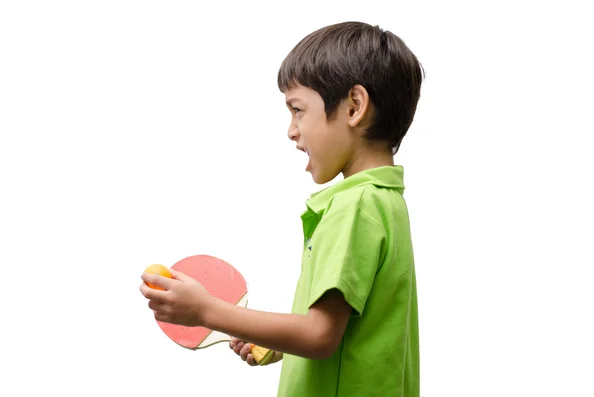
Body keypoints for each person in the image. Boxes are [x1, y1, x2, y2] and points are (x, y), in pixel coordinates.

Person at [140, 20, 423, 397]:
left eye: (298, 109)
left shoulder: (354, 206)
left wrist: (206, 311)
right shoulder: (386, 201)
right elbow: (338, 328)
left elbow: (319, 335)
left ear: (354, 106)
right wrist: (273, 342)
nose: (291, 130)